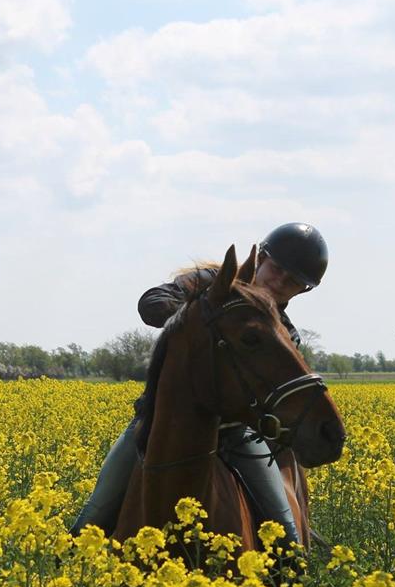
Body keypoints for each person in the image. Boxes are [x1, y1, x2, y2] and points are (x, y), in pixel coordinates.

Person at [70, 222, 329, 547]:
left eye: (292, 281)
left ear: (303, 291)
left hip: (236, 435)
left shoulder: (283, 332)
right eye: (276, 269)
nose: (279, 282)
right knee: (90, 521)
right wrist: (202, 317)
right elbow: (152, 301)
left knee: (286, 538)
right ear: (261, 257)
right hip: (161, 425)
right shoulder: (210, 282)